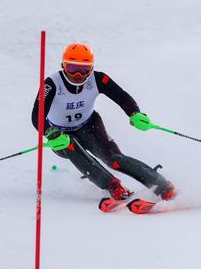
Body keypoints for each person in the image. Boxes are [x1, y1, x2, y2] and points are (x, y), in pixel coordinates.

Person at [31, 42, 175, 203]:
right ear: (63, 66)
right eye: (72, 69)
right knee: (69, 142)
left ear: (91, 69)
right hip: (60, 135)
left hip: (89, 126)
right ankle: (113, 186)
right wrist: (49, 132)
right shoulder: (52, 83)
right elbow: (37, 114)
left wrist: (134, 113)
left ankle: (164, 187)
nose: (77, 75)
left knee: (113, 159)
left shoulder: (98, 79)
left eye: (84, 69)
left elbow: (122, 97)